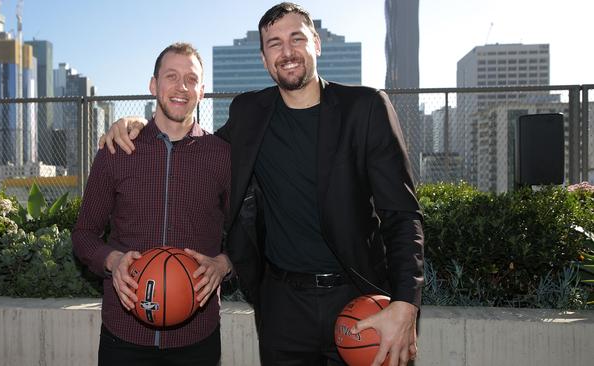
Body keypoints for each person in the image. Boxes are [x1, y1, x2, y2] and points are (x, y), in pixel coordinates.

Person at [101, 3, 424, 366]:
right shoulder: (249, 113)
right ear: (263, 57)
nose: (286, 52)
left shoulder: (364, 108)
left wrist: (405, 302)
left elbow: (402, 214)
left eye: (296, 38)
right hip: (282, 306)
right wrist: (137, 124)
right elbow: (196, 147)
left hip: (356, 296)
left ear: (316, 43)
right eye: (274, 43)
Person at [72, 42, 232, 366]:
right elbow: (84, 233)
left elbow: (250, 231)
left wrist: (225, 264)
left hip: (197, 337)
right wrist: (112, 260)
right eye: (171, 76)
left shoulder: (222, 156)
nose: (181, 87)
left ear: (202, 91)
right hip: (125, 335)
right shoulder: (117, 150)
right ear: (153, 85)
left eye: (191, 79)